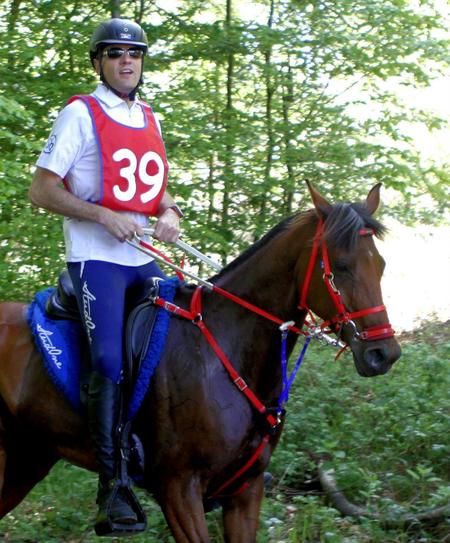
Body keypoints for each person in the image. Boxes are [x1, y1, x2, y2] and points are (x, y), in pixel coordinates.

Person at [29, 18, 183, 532]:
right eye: (115, 53)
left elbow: (156, 186)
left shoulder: (149, 117)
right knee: (110, 358)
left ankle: (166, 453)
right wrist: (100, 214)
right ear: (99, 61)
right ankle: (112, 487)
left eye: (134, 54)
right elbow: (42, 190)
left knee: (176, 344)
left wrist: (169, 212)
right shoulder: (80, 113)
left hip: (142, 256)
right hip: (96, 258)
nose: (126, 61)